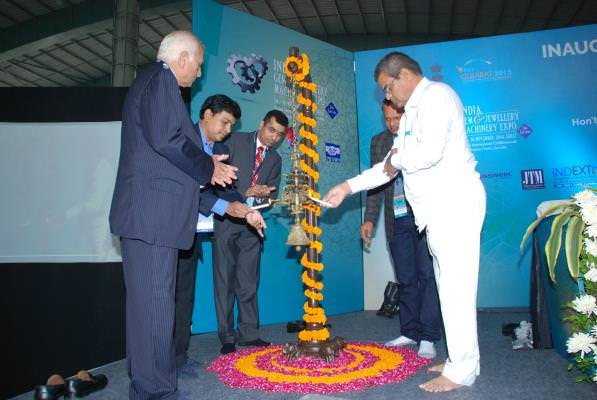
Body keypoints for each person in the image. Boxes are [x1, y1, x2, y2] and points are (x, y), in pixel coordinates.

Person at [322, 51, 486, 393]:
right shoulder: (412, 112)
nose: (386, 96)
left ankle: (462, 370)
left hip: (454, 204)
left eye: (386, 87)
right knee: (448, 289)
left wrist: (396, 156)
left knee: (456, 290)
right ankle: (461, 358)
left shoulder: (437, 97)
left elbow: (428, 152)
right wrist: (347, 187)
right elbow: (387, 166)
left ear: (404, 76)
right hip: (438, 212)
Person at [109, 31, 241, 400]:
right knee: (155, 309)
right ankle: (158, 391)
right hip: (153, 219)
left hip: (147, 218)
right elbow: (168, 138)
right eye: (198, 64)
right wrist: (207, 168)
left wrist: (204, 160)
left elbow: (162, 144)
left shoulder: (149, 82)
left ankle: (147, 386)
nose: (198, 73)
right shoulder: (161, 80)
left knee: (145, 311)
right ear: (182, 57)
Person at [174, 94, 266, 378]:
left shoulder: (220, 147)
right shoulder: (182, 139)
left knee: (184, 297)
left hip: (195, 230)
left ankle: (178, 357)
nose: (227, 130)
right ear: (206, 114)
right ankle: (161, 361)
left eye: (232, 125)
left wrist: (244, 210)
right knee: (166, 297)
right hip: (171, 226)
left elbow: (225, 188)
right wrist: (231, 207)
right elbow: (190, 189)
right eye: (224, 122)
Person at [361, 99, 441, 359]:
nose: (392, 124)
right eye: (387, 119)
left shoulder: (421, 138)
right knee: (405, 278)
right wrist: (370, 219)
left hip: (423, 217)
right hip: (396, 219)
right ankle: (409, 331)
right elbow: (376, 185)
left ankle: (428, 336)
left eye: (397, 118)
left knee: (427, 277)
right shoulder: (378, 142)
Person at [212, 110, 289, 354]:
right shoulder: (234, 141)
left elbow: (273, 194)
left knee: (248, 281)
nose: (274, 138)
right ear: (261, 124)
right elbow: (217, 179)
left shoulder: (275, 159)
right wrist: (248, 190)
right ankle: (227, 336)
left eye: (279, 135)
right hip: (226, 218)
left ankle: (250, 333)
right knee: (224, 279)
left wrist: (267, 195)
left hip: (253, 226)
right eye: (271, 130)